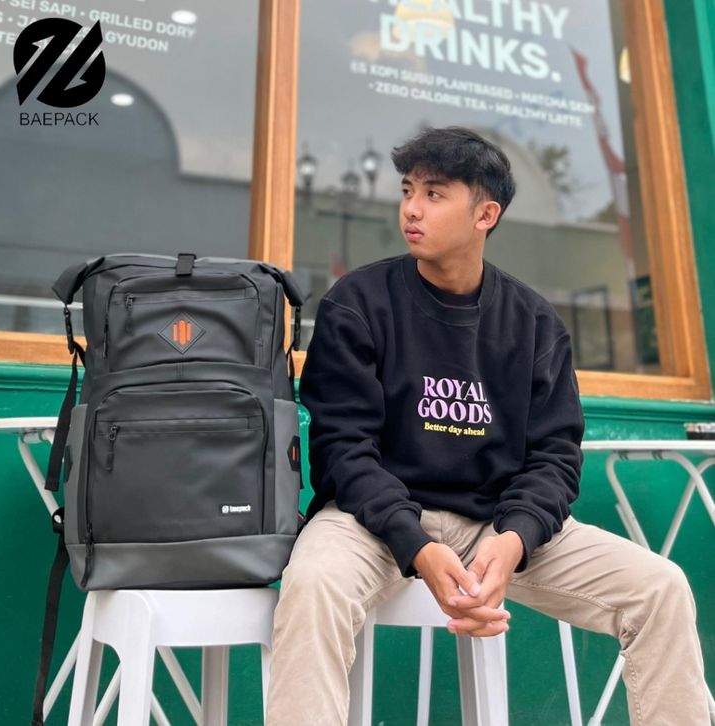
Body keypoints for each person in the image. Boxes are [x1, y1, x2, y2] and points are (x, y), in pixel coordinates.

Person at [266, 126, 710, 725]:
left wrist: (515, 538)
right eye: (407, 190)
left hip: (496, 524)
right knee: (314, 583)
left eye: (434, 193)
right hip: (374, 523)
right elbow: (344, 450)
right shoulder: (359, 302)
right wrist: (416, 546)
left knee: (661, 589)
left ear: (486, 214)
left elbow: (555, 457)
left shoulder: (534, 324)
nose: (412, 208)